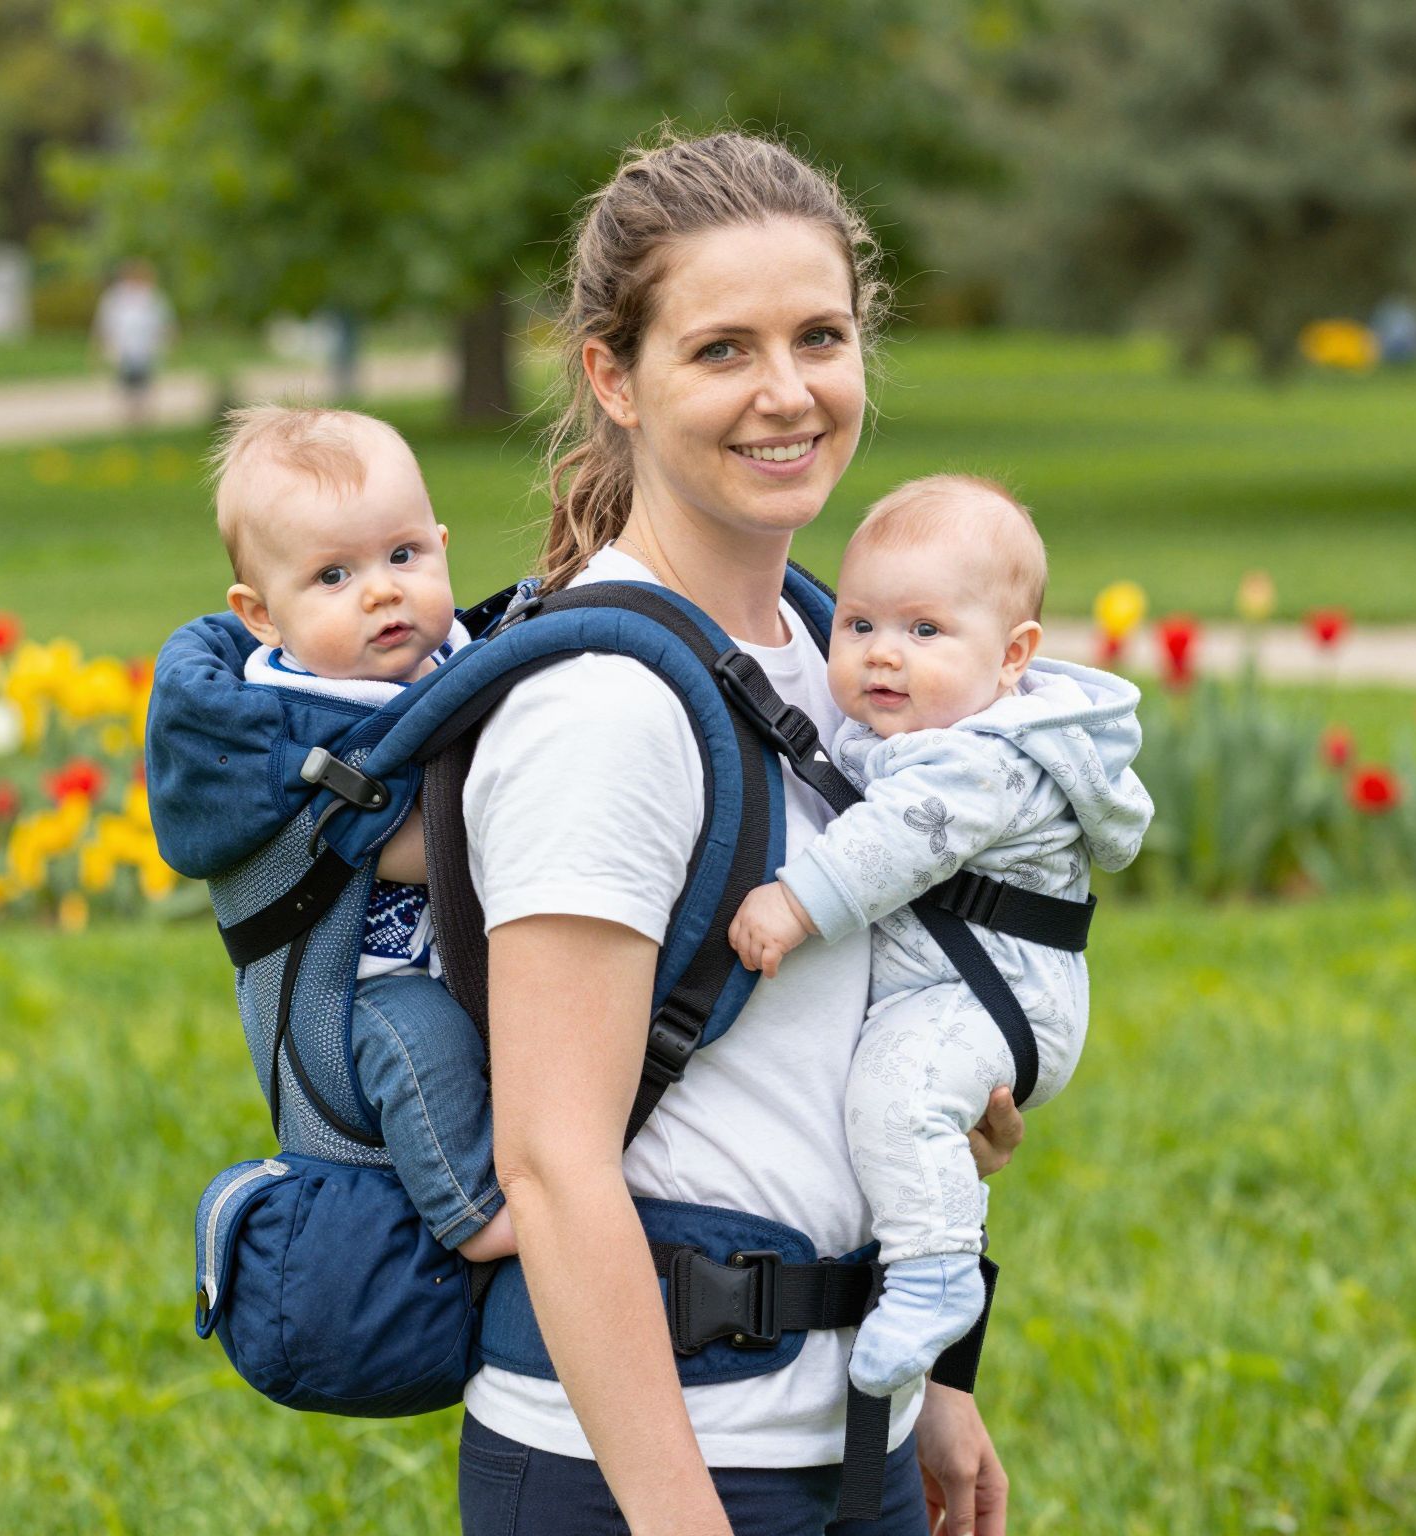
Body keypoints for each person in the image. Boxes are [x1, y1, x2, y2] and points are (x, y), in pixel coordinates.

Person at [457, 131, 1025, 1536]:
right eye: (722, 350)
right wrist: (678, 1517)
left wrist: (933, 1383)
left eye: (820, 337)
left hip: (853, 1437)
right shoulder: (603, 710)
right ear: (614, 377)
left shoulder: (849, 659)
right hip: (649, 1470)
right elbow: (553, 1163)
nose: (790, 395)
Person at [727, 474, 1152, 1400]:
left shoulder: (984, 758)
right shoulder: (916, 724)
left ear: (1013, 657)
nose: (884, 655)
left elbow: (897, 840)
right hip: (952, 990)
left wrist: (795, 902)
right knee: (890, 1097)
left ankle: (935, 1275)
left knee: (897, 1090)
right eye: (862, 625)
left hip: (992, 999)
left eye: (924, 632)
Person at [214, 403, 515, 1261]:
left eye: (403, 555)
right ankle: (473, 1216)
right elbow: (402, 848)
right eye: (333, 578)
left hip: (458, 948)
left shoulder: (454, 655)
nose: (383, 589)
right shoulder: (290, 714)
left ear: (442, 545)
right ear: (263, 615)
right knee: (422, 1047)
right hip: (359, 988)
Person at [94, 260, 177, 427]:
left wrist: (169, 341)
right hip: (124, 348)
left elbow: (165, 322)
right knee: (126, 382)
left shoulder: (152, 297)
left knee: (144, 381)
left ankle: (143, 415)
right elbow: (105, 323)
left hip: (146, 348)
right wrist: (100, 346)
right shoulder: (115, 298)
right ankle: (129, 415)